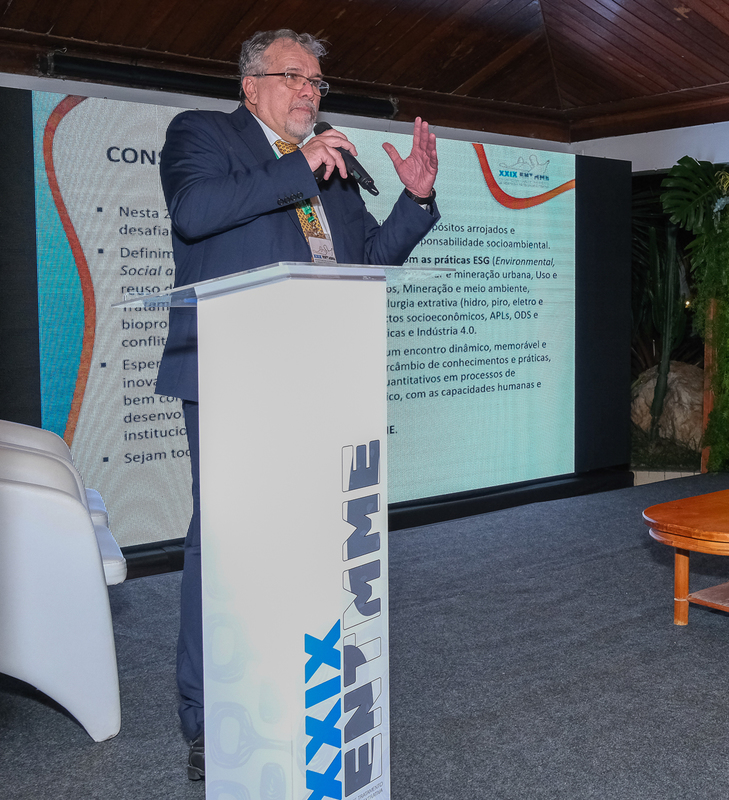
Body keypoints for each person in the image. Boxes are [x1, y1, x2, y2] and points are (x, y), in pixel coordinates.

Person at [155, 29, 441, 780]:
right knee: (225, 543)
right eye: (293, 77)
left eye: (318, 81)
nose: (310, 92)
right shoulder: (204, 135)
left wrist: (415, 201)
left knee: (313, 541)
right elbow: (194, 212)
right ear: (250, 86)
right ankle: (209, 720)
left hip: (322, 380)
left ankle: (301, 682)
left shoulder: (334, 169)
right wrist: (298, 166)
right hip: (233, 374)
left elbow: (367, 262)